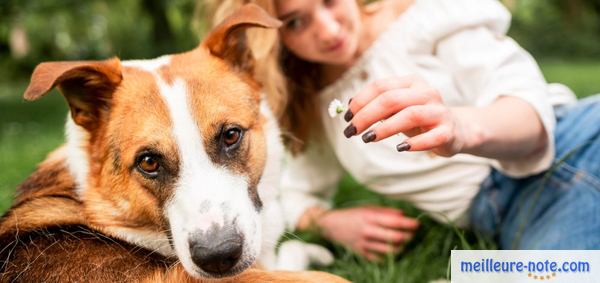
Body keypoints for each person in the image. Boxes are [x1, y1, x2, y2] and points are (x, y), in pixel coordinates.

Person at [208, 0, 600, 260]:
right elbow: (289, 192)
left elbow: (530, 114)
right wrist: (329, 222)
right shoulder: (316, 102)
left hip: (577, 146)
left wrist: (460, 128)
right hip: (520, 217)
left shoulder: (423, 19)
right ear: (275, 40)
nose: (327, 31)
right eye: (296, 22)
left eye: (328, 0)